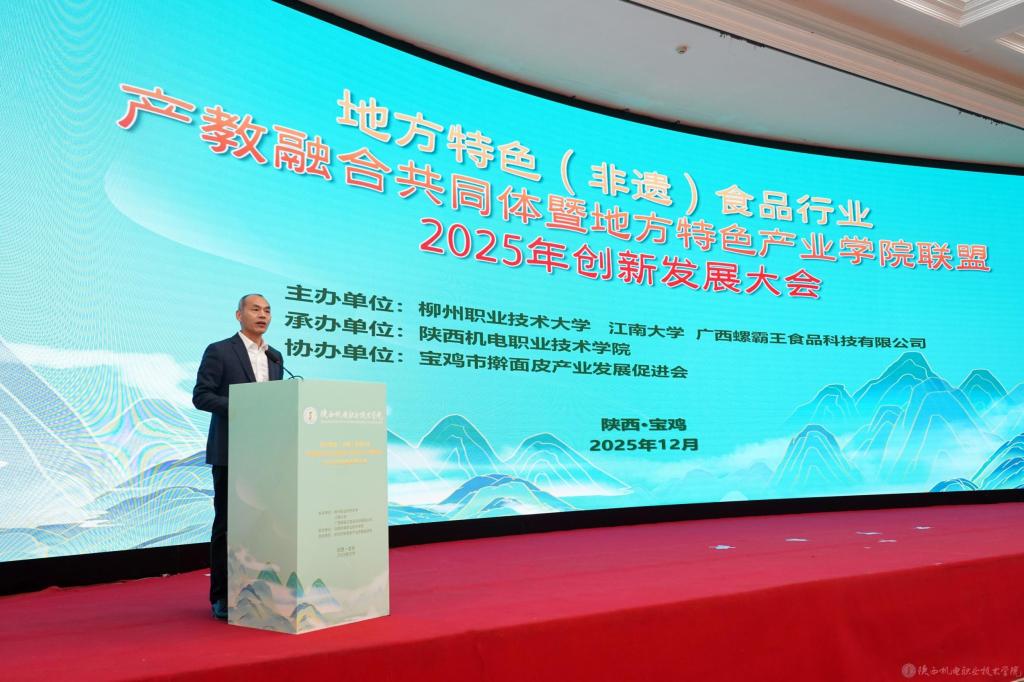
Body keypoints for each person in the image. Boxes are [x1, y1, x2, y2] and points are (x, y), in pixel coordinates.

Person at [192, 293, 283, 620]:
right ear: (239, 315)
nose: (263, 315)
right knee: (228, 526)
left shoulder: (275, 357)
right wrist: (244, 406)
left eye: (267, 310)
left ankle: (260, 590)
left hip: (265, 455)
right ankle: (221, 595)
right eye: (255, 309)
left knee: (264, 526)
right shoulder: (219, 351)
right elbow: (201, 396)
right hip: (230, 451)